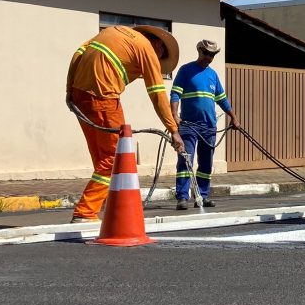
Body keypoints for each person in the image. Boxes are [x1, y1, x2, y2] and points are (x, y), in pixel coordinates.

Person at [66, 25, 185, 224]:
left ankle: (106, 206)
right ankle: (85, 212)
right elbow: (157, 93)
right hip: (103, 96)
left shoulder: (116, 31)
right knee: (114, 159)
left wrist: (69, 90)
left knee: (102, 160)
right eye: (160, 55)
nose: (156, 61)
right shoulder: (146, 48)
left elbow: (78, 53)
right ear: (157, 43)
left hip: (80, 94)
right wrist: (173, 129)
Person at [170, 40, 240, 210]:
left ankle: (202, 195)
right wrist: (174, 116)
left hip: (209, 126)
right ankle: (182, 197)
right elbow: (175, 94)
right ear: (199, 51)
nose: (209, 58)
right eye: (206, 54)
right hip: (188, 125)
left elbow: (221, 98)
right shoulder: (186, 70)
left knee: (206, 164)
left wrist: (233, 117)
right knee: (186, 160)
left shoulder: (213, 75)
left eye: (212, 55)